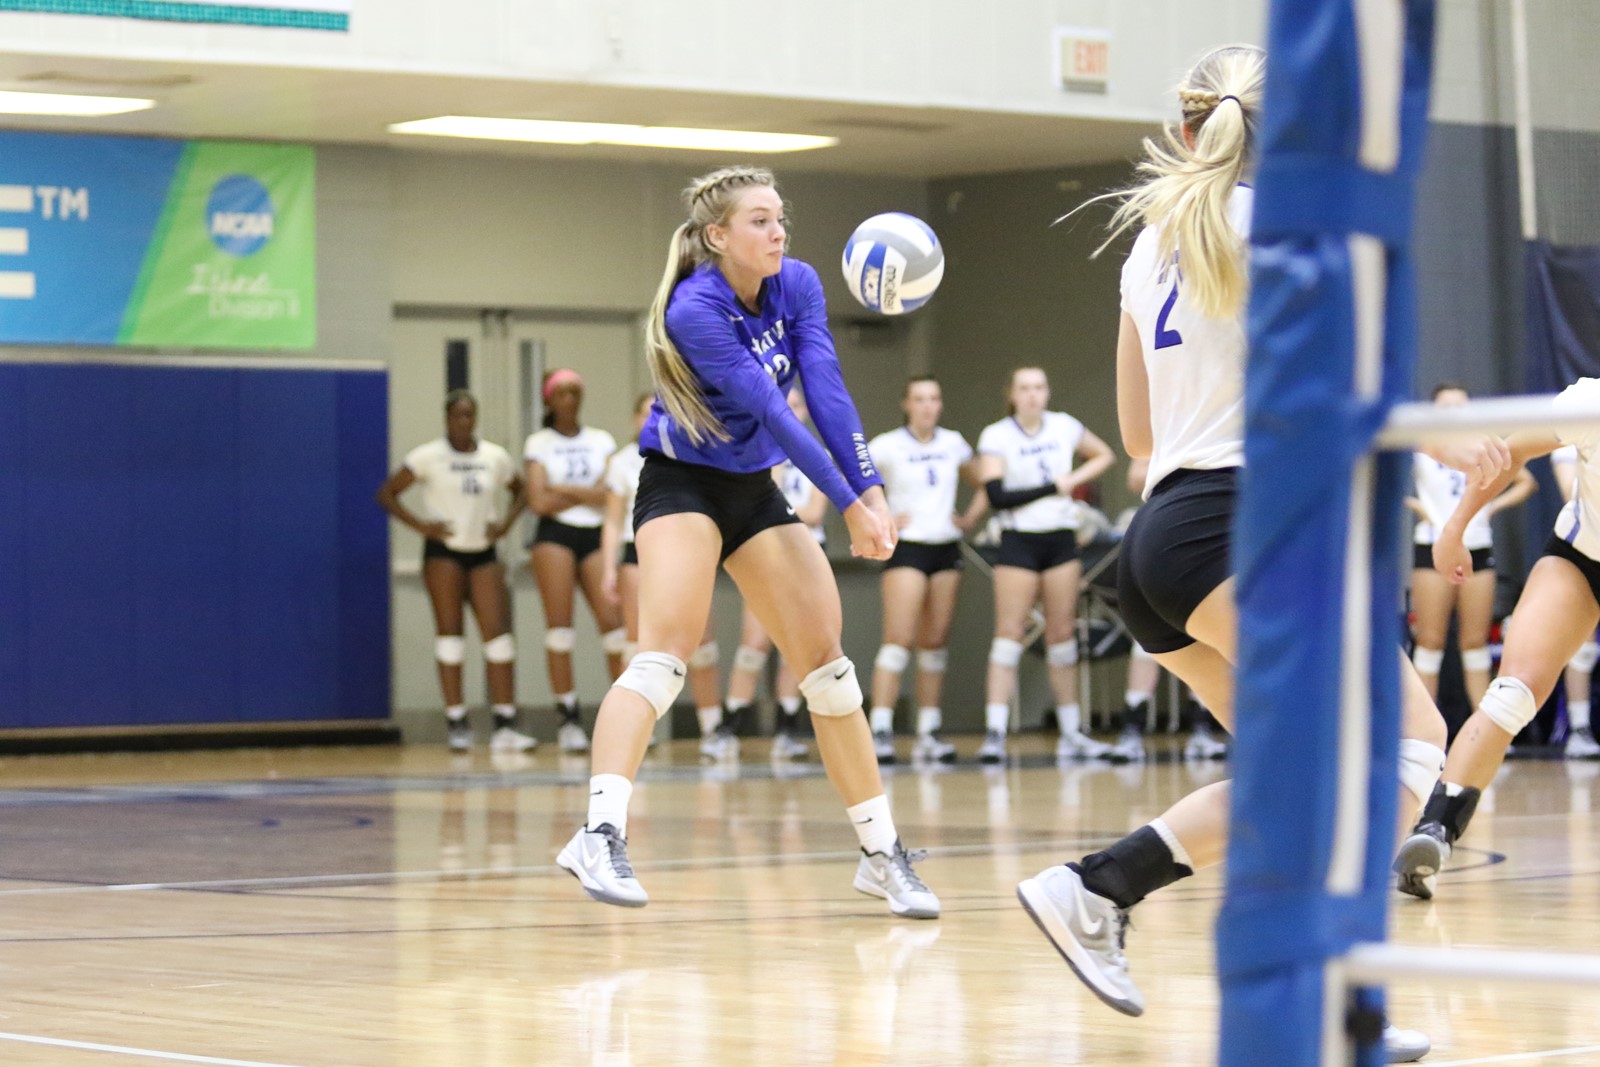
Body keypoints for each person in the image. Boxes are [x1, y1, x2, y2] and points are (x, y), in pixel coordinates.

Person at [1010, 47, 1490, 1060]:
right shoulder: (1296, 234)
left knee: (1299, 786)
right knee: (1408, 739)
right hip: (1245, 528)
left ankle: (1332, 1004)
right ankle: (1101, 881)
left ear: (1192, 130)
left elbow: (1137, 437)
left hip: (1161, 539)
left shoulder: (1151, 244)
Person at [555, 165, 939, 918]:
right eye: (759, 220)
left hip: (752, 489)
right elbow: (773, 410)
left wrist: (870, 491)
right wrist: (847, 503)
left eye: (780, 216)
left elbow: (823, 390)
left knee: (829, 669)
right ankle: (598, 833)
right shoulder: (694, 308)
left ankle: (881, 853)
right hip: (683, 484)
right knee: (663, 656)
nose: (778, 230)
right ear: (717, 236)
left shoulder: (796, 284)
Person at [1396, 379, 1600, 898]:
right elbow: (1508, 457)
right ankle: (1434, 831)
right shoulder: (1590, 402)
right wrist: (1454, 528)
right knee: (1512, 693)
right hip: (1582, 559)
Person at [376, 390, 535, 751]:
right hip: (443, 553)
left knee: (498, 636)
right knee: (450, 636)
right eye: (458, 415)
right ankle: (456, 720)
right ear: (447, 418)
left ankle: (505, 722)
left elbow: (521, 490)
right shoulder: (428, 456)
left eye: (470, 415)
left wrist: (506, 525)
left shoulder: (494, 456)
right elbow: (387, 493)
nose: (464, 422)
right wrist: (422, 526)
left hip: (483, 551)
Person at [975, 366, 1115, 763]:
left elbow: (1105, 454)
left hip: (1060, 538)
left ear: (1048, 392)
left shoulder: (1064, 426)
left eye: (1039, 387)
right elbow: (998, 496)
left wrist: (1072, 481)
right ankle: (995, 731)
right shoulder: (996, 435)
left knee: (1061, 634)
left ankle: (1072, 732)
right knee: (1009, 632)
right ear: (1013, 394)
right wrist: (1055, 485)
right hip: (1019, 541)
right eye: (1024, 388)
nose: (1033, 395)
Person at [600, 392, 726, 758]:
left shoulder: (694, 452)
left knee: (702, 643)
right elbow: (611, 522)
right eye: (646, 412)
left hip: (686, 551)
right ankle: (636, 730)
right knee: (637, 643)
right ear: (636, 418)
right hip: (636, 552)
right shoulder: (623, 462)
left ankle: (712, 727)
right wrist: (609, 568)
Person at [866, 375, 984, 764]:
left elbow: (987, 481)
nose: (927, 406)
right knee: (898, 639)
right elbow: (854, 482)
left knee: (934, 643)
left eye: (934, 398)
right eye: (919, 399)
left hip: (945, 545)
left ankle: (928, 731)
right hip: (908, 548)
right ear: (906, 404)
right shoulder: (886, 446)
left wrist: (969, 518)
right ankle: (880, 729)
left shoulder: (953, 444)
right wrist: (879, 516)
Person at [1406, 383, 1535, 709]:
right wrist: (1419, 508)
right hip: (1432, 544)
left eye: (1461, 405)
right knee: (1430, 643)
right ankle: (1423, 737)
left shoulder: (1481, 441)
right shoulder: (1420, 444)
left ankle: (1485, 732)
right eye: (1446, 406)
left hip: (1476, 544)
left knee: (1475, 644)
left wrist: (1490, 507)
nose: (1454, 412)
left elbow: (1524, 479)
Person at [718, 386, 824, 761]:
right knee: (755, 642)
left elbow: (815, 512)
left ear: (807, 412)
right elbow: (769, 500)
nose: (791, 411)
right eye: (784, 405)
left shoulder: (816, 453)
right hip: (768, 550)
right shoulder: (761, 452)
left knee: (799, 644)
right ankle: (727, 727)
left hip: (807, 553)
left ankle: (787, 728)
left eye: (797, 405)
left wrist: (784, 503)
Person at [524, 369, 625, 753]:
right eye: (562, 392)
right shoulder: (540, 442)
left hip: (595, 535)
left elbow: (610, 494)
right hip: (556, 535)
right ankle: (567, 718)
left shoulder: (601, 439)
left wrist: (561, 488)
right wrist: (587, 493)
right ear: (549, 399)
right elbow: (538, 502)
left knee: (613, 625)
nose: (569, 397)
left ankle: (620, 716)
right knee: (560, 629)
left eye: (575, 391)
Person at [1551, 445, 1600, 759]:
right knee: (1582, 647)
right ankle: (1580, 730)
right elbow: (1572, 490)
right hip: (1585, 547)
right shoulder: (1577, 420)